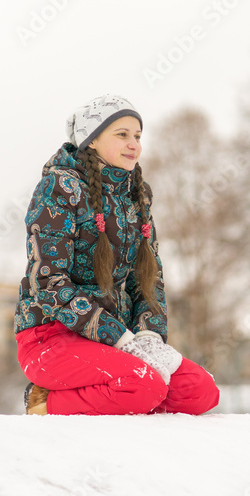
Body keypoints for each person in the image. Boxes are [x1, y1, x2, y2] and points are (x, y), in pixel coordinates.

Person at [14, 94, 220, 415]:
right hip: (52, 337)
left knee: (199, 391)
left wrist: (148, 336)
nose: (134, 145)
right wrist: (120, 338)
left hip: (120, 340)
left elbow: (149, 279)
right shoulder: (59, 188)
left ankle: (124, 394)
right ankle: (43, 401)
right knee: (144, 385)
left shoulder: (137, 194)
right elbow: (48, 283)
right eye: (121, 134)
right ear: (92, 139)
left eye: (137, 136)